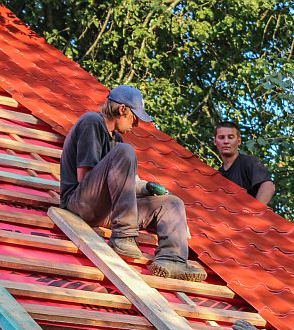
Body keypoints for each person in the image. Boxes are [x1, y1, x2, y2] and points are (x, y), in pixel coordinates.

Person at [60, 85, 207, 282]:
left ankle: (172, 259)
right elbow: (84, 178)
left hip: (105, 209)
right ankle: (124, 236)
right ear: (122, 109)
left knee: (172, 203)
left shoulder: (116, 140)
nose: (136, 125)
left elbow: (122, 184)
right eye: (135, 118)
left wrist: (147, 189)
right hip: (80, 204)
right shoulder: (92, 122)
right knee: (125, 150)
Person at [214, 121, 276, 205]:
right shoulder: (218, 175)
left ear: (238, 141)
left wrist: (254, 212)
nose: (226, 141)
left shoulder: (249, 163)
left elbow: (268, 186)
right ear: (215, 141)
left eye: (230, 137)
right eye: (221, 137)